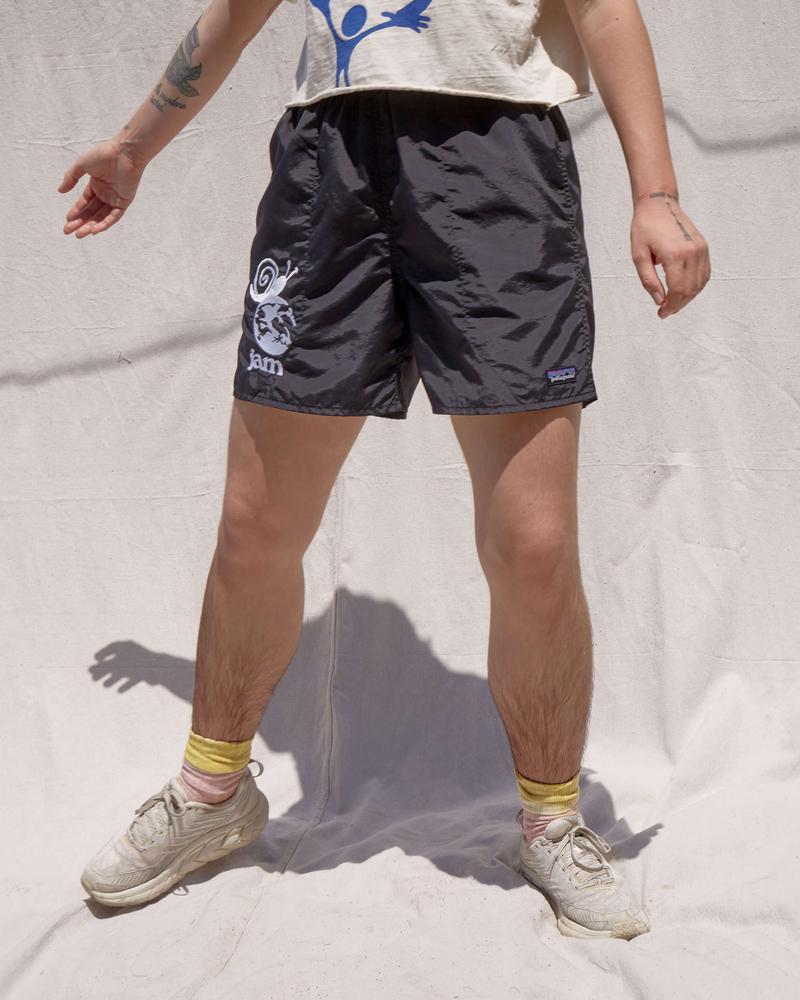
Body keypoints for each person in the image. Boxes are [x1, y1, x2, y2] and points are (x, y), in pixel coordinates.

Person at [58, 0, 710, 939]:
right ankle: (211, 791)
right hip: (331, 161)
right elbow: (238, 12)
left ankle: (552, 822)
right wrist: (133, 146)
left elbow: (604, 10)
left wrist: (656, 192)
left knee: (533, 543)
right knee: (255, 523)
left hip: (499, 157)